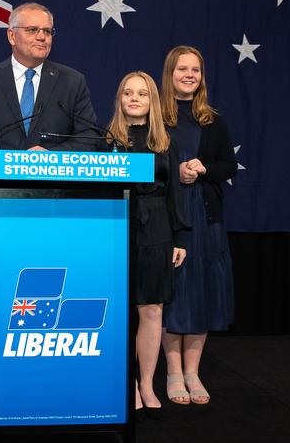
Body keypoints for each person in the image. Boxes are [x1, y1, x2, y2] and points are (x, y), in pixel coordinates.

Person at [102, 71, 188, 411]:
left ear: (153, 100)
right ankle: (126, 387)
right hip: (116, 227)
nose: (134, 98)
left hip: (157, 231)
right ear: (119, 100)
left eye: (142, 93)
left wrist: (179, 236)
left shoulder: (166, 142)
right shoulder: (105, 141)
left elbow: (174, 194)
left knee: (152, 310)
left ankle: (147, 384)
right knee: (118, 311)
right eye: (127, 93)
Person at [160, 45, 237, 405]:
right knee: (174, 294)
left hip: (207, 217)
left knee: (203, 291)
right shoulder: (158, 116)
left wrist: (204, 168)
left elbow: (228, 166)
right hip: (171, 216)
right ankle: (173, 373)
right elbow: (146, 165)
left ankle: (193, 372)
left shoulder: (213, 119)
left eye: (195, 70)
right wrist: (175, 173)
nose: (189, 75)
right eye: (182, 69)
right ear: (170, 74)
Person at [0, 2, 99, 171]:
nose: (41, 36)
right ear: (11, 36)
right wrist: (5, 166)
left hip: (56, 189)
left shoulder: (72, 81)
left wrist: (52, 159)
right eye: (32, 30)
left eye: (47, 31)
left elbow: (89, 136)